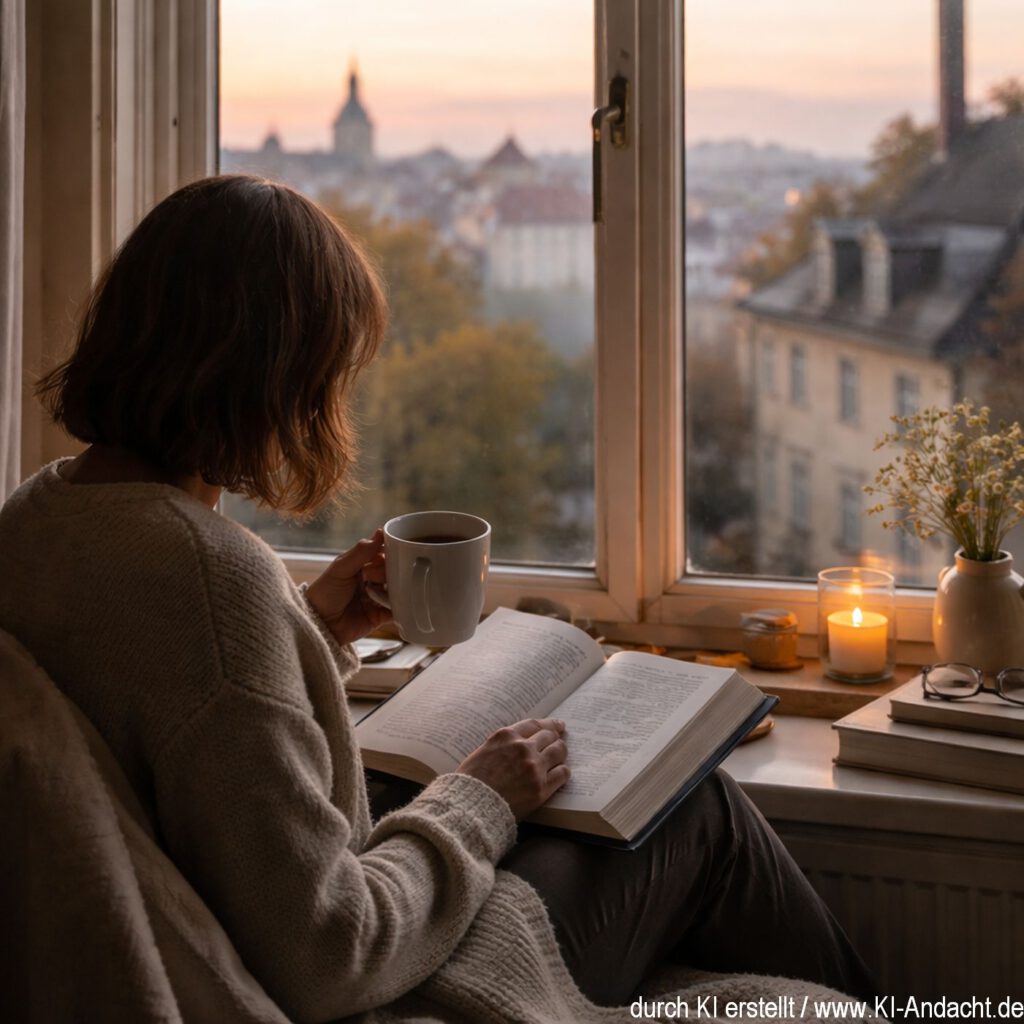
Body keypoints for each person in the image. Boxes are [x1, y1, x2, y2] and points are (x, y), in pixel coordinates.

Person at [0, 175, 876, 1022]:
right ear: (272, 377)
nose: (332, 401)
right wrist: (479, 798)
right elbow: (329, 955)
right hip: (369, 992)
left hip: (276, 938)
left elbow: (175, 729)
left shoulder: (39, 513)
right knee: (702, 806)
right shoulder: (211, 576)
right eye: (328, 374)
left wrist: (310, 635)